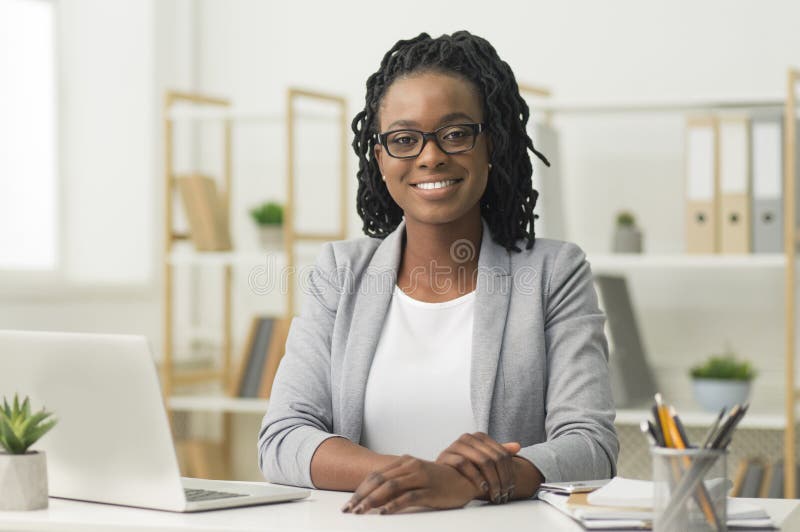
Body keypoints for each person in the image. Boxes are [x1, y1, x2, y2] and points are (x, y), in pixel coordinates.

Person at [258, 30, 618, 515]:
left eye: (455, 133)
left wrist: (467, 485)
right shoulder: (340, 272)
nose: (431, 156)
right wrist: (418, 478)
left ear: (492, 143)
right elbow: (283, 439)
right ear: (380, 156)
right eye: (405, 139)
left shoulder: (554, 272)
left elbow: (590, 446)